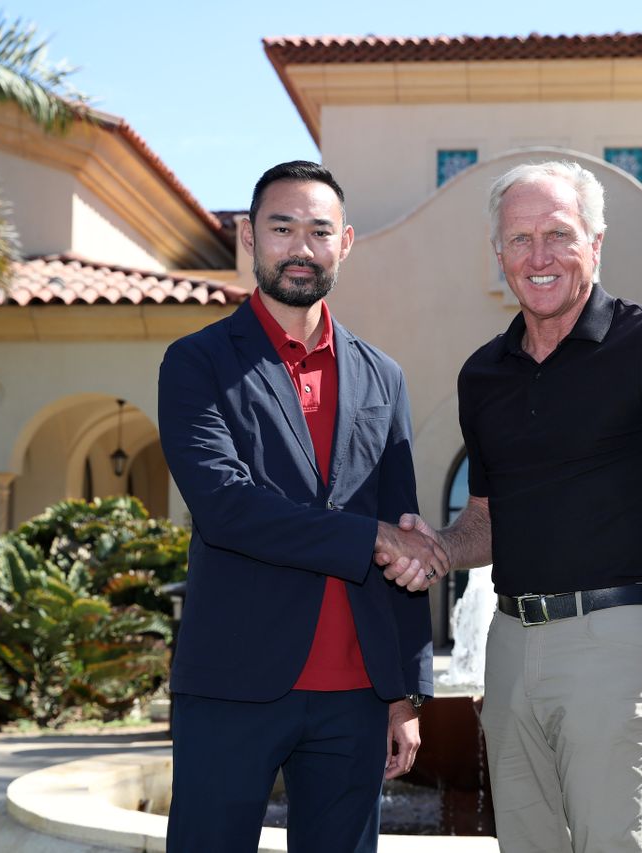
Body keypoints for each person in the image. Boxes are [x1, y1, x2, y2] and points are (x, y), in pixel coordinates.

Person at [378, 161, 642, 852]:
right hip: (511, 647)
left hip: (620, 641)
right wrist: (435, 549)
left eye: (558, 234)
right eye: (520, 239)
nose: (538, 256)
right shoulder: (482, 375)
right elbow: (488, 519)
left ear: (596, 242)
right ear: (499, 254)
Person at [158, 160, 446, 853]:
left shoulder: (384, 375)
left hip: (355, 698)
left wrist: (402, 693)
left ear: (345, 243)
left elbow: (402, 524)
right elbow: (226, 507)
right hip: (233, 684)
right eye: (282, 228)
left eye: (320, 231)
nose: (301, 247)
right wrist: (371, 538)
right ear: (248, 238)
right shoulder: (197, 362)